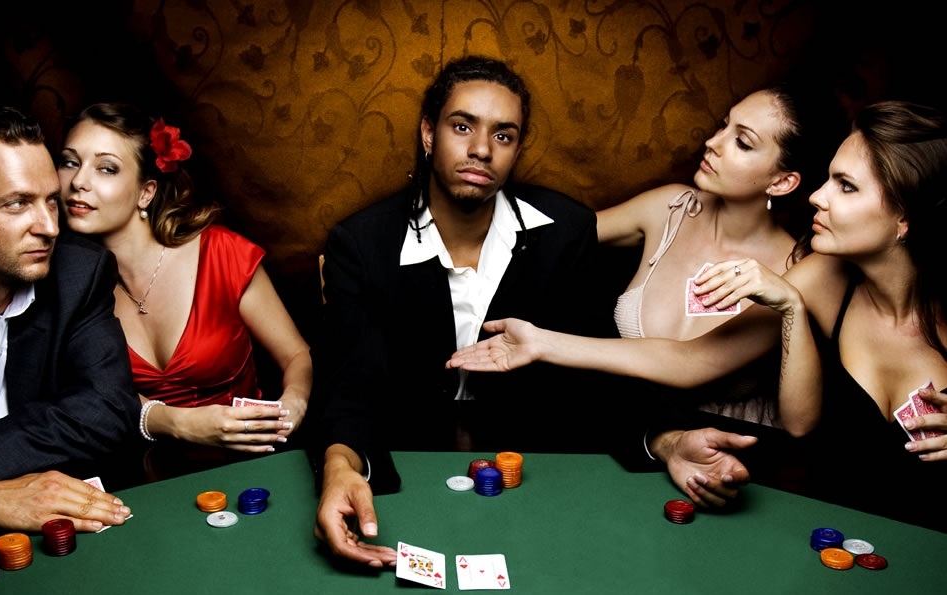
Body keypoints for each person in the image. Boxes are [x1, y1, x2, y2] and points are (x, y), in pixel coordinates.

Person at [449, 101, 947, 531]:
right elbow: (711, 367)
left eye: (847, 187)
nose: (818, 196)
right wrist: (540, 340)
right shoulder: (820, 276)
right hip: (822, 519)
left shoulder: (816, 266)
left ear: (904, 219)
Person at [313, 55, 609, 567]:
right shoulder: (362, 244)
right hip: (404, 466)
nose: (481, 149)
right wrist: (340, 466)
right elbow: (349, 386)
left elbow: (598, 374)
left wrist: (667, 439)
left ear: (517, 149)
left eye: (503, 135)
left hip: (538, 475)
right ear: (429, 133)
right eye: (463, 126)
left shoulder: (567, 232)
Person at [0, 106, 137, 536]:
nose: (49, 228)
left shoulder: (80, 273)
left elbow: (108, 408)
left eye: (51, 202)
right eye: (18, 203)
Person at [57, 103, 313, 454]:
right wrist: (178, 422)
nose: (78, 182)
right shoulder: (66, 285)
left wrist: (293, 402)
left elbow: (296, 354)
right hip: (143, 473)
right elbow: (87, 397)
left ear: (146, 192)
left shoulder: (221, 254)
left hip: (249, 462)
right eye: (70, 162)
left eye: (106, 168)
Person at [596, 82, 835, 427]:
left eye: (742, 142)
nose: (713, 142)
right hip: (627, 426)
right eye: (724, 125)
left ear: (781, 182)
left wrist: (543, 344)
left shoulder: (797, 273)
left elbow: (688, 362)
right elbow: (563, 233)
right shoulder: (671, 208)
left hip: (730, 448)